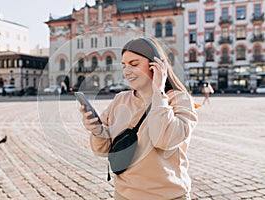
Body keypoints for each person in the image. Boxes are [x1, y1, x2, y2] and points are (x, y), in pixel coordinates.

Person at [78, 37, 198, 200]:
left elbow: (164, 140)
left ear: (156, 66)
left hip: (169, 195)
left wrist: (158, 93)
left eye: (134, 64)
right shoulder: (120, 100)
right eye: (124, 65)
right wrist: (97, 130)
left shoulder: (179, 100)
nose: (127, 71)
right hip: (124, 194)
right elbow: (103, 150)